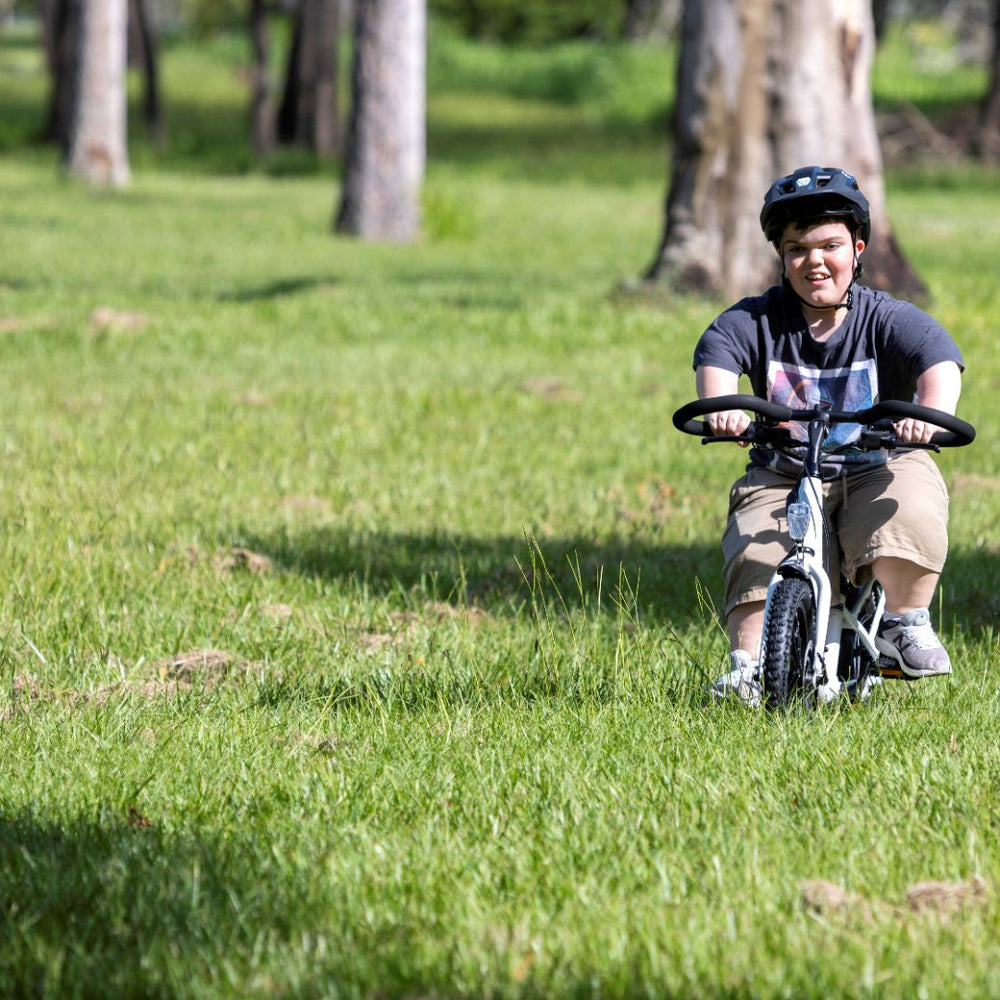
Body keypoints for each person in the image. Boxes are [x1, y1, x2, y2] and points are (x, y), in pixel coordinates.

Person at [692, 165, 965, 704]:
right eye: (796, 249)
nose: (813, 261)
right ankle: (748, 664)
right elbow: (717, 359)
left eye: (829, 246)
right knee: (756, 541)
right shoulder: (754, 321)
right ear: (781, 258)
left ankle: (904, 622)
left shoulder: (886, 318)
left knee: (909, 506)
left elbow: (939, 361)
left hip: (879, 460)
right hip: (785, 468)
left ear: (858, 249)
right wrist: (724, 409)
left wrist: (928, 416)